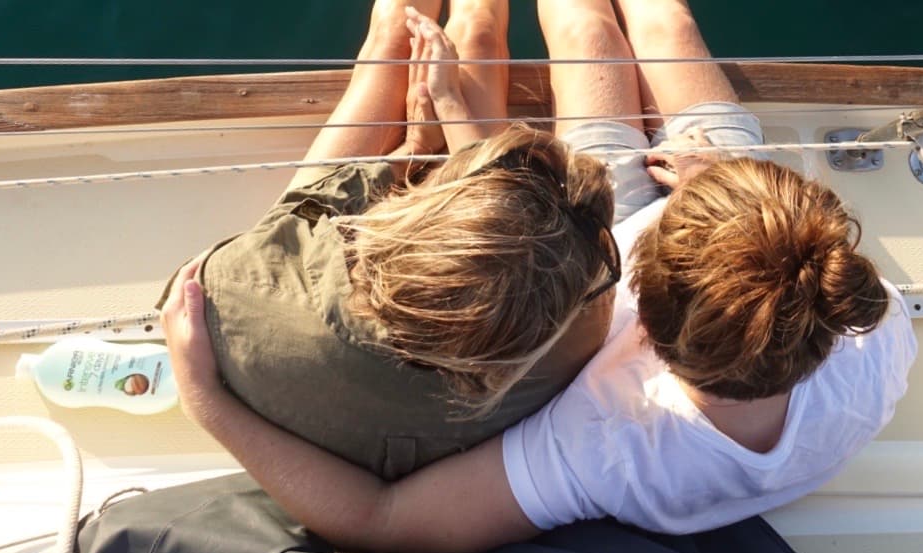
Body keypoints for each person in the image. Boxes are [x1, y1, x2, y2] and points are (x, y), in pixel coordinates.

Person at [159, 0, 918, 553]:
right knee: (661, 32)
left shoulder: (606, 441)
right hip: (744, 219)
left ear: (635, 324)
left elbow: (381, 516)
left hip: (707, 216)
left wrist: (208, 402)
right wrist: (727, 187)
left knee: (588, 35)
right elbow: (792, 257)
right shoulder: (854, 315)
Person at [174, 0, 621, 480]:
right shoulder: (567, 345)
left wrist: (414, 151)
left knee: (392, 39)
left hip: (311, 275)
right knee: (469, 38)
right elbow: (515, 250)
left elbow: (312, 207)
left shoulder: (240, 292)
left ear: (392, 220)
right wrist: (447, 117)